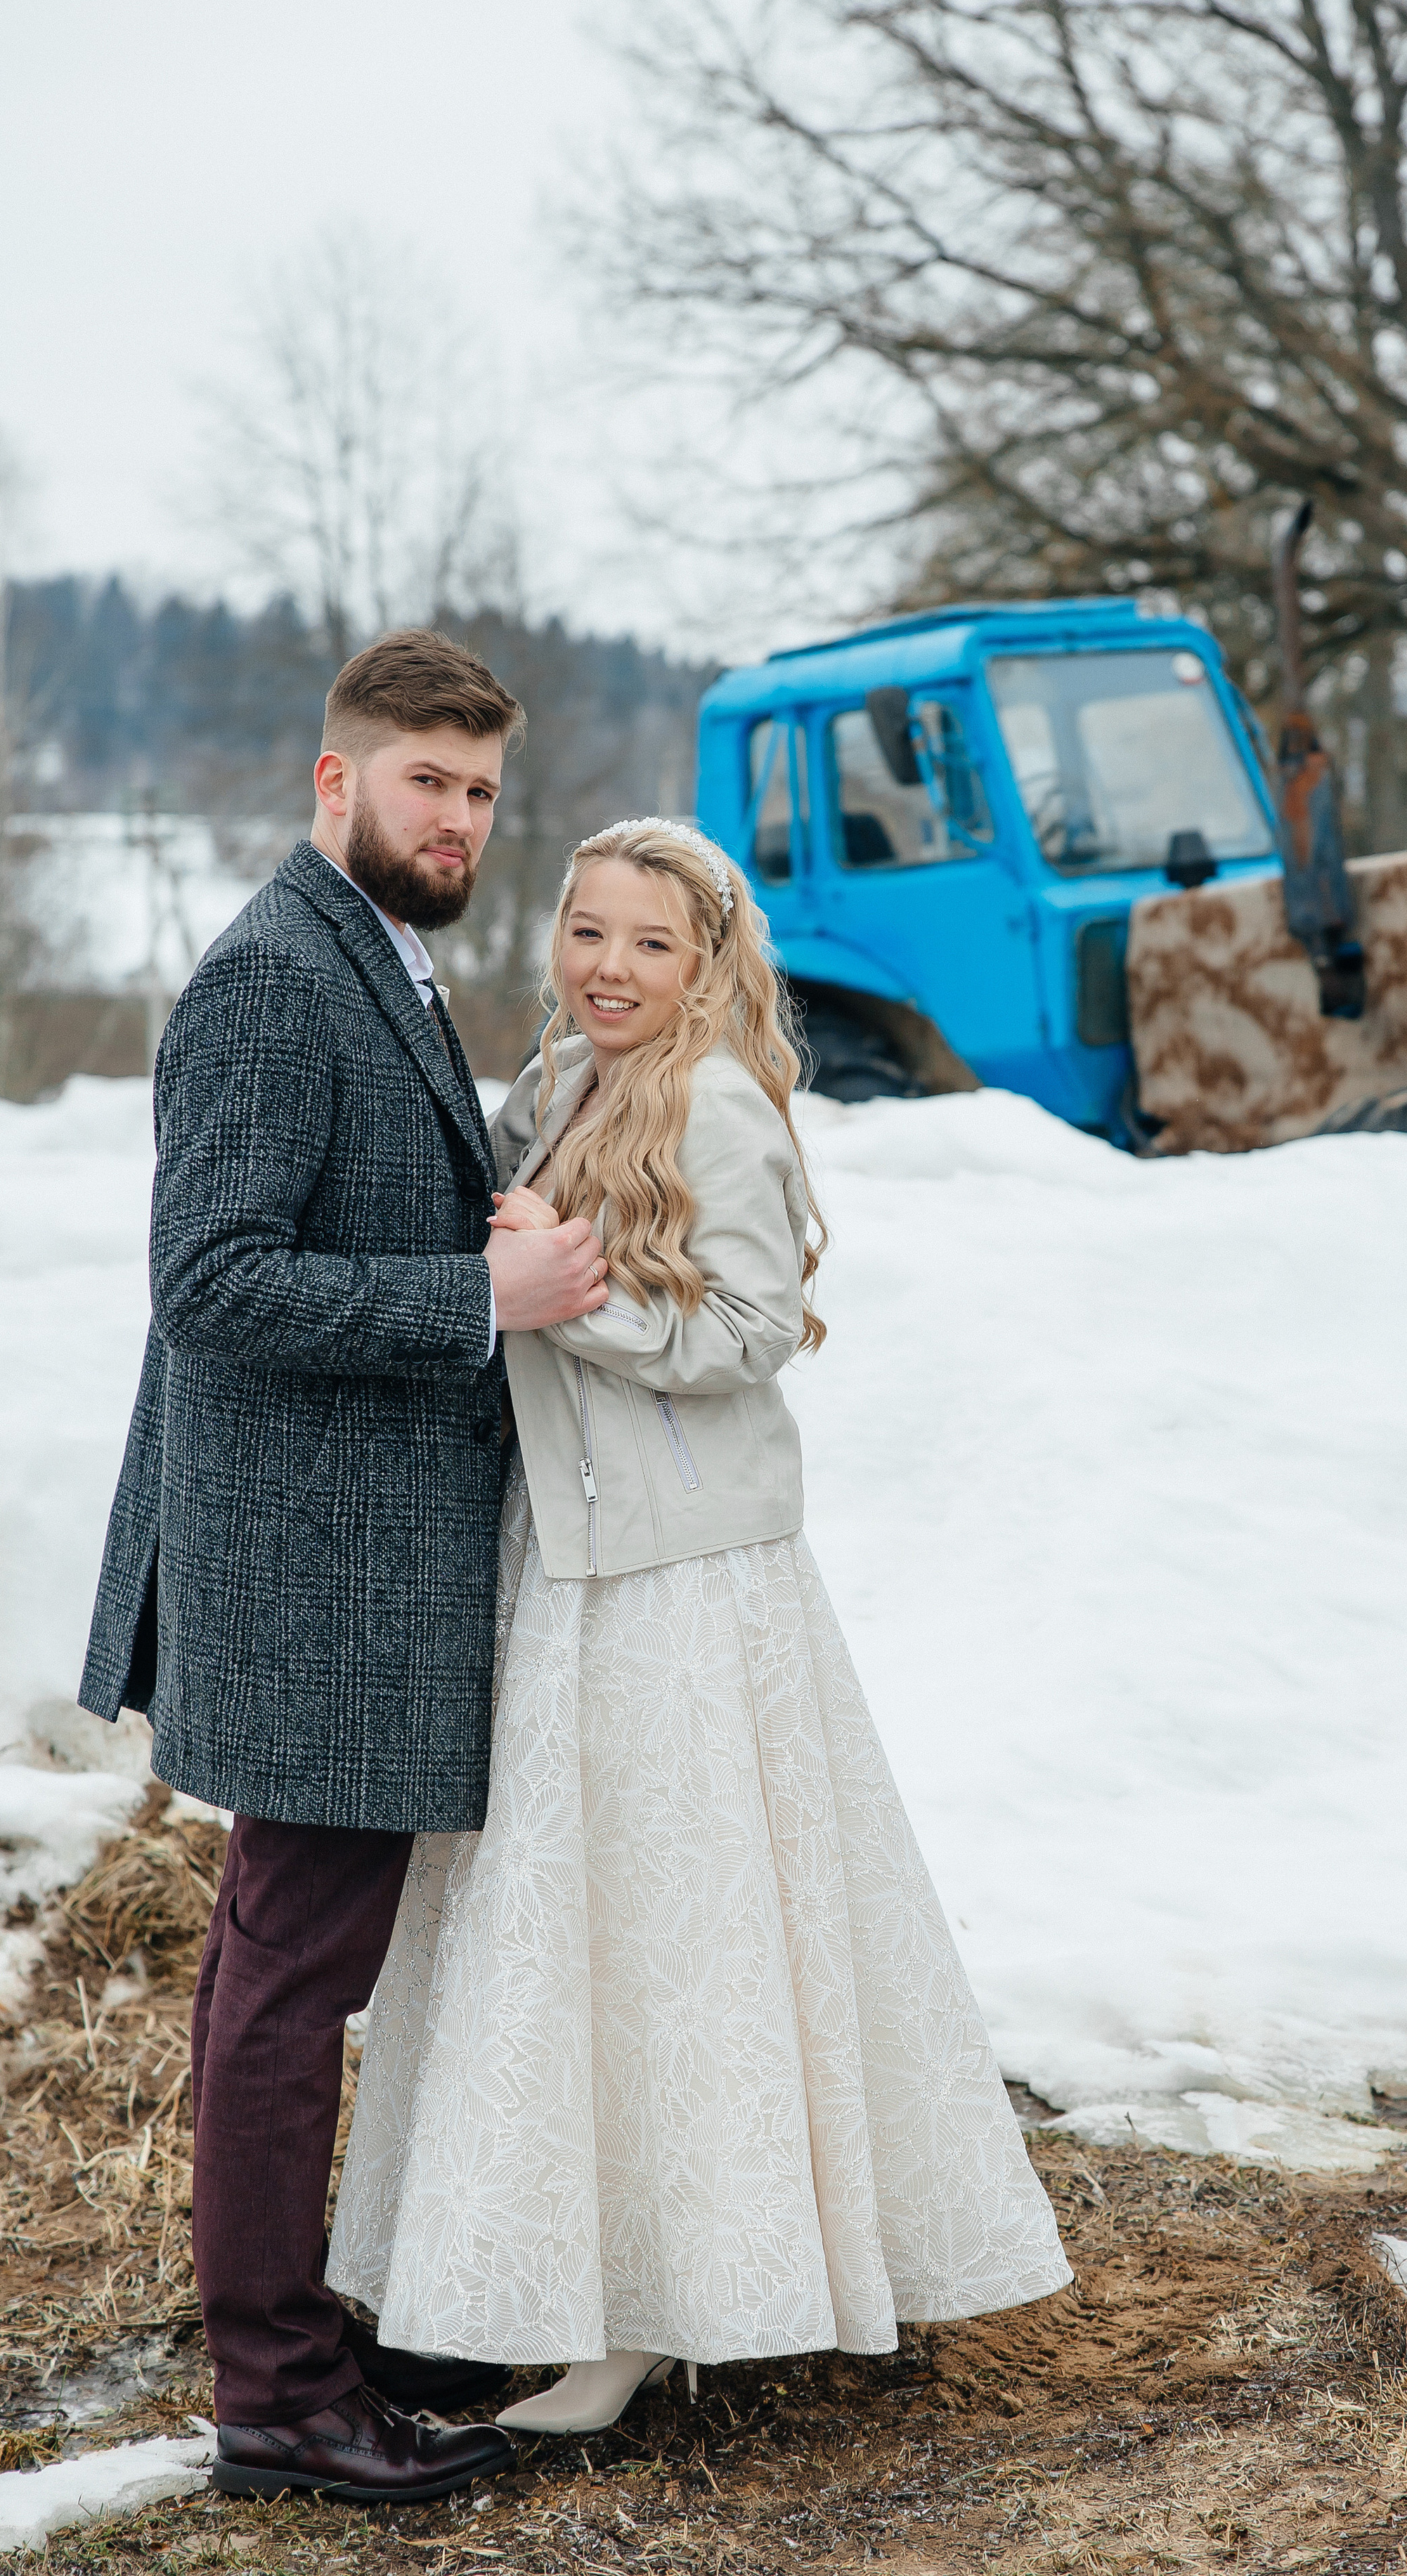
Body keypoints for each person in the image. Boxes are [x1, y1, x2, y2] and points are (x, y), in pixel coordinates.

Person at [328, 818, 1070, 2431]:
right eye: (586, 932)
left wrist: (569, 1294)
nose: (607, 966)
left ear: (706, 964)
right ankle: (556, 2270)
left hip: (677, 1575)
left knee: (681, 1926)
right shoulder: (560, 1084)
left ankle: (654, 2314)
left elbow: (742, 1334)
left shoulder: (718, 1104)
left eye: (648, 946)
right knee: (569, 1929)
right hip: (568, 1552)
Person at [77, 630, 611, 2504]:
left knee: (274, 1973)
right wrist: (485, 1297)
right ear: (336, 784)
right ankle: (283, 2399)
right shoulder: (273, 981)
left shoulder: (374, 961)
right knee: (292, 1984)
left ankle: (286, 2348)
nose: (456, 820)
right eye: (423, 784)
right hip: (313, 1587)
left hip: (344, 1571)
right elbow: (209, 1287)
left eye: (478, 791)